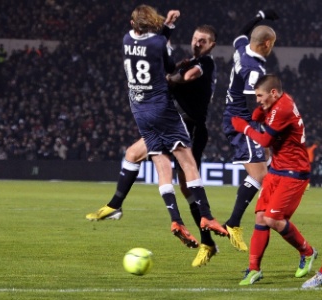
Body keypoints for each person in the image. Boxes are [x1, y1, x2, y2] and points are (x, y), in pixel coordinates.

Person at [88, 5, 228, 249]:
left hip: (138, 109)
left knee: (158, 163)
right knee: (187, 164)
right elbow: (170, 66)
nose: (196, 43)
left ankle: (173, 219)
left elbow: (154, 46)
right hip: (162, 110)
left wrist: (168, 29)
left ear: (133, 25)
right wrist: (167, 35)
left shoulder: (125, 39)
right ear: (153, 23)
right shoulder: (158, 44)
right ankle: (206, 216)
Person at [231, 74, 317, 285]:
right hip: (278, 170)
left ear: (273, 93)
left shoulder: (283, 108)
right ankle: (254, 269)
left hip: (294, 172)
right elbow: (257, 115)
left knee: (273, 219)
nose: (257, 99)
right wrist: (260, 108)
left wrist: (243, 127)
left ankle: (307, 252)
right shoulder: (275, 103)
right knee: (261, 217)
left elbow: (265, 139)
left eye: (260, 96)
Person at [221, 9, 279, 252]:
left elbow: (240, 33)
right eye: (273, 44)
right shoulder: (253, 68)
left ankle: (246, 218)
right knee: (260, 175)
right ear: (266, 44)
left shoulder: (242, 48)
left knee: (262, 169)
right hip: (241, 123)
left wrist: (260, 14)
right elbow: (251, 103)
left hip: (236, 119)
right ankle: (233, 224)